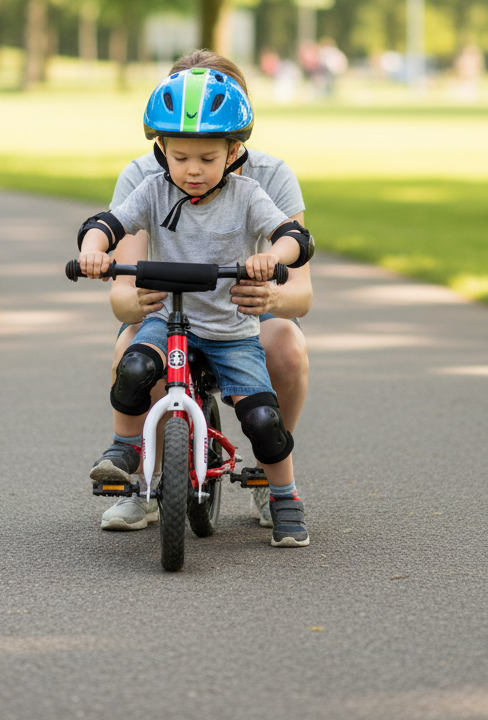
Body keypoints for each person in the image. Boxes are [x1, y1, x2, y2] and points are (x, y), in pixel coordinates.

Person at [78, 67, 315, 548]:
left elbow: (294, 237)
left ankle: (283, 494)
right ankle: (126, 451)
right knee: (135, 366)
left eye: (207, 158)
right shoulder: (153, 187)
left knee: (263, 420)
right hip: (169, 319)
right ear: (161, 149)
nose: (191, 169)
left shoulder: (251, 193)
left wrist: (274, 257)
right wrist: (93, 249)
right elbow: (109, 222)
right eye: (179, 155)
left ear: (233, 152)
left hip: (232, 329)